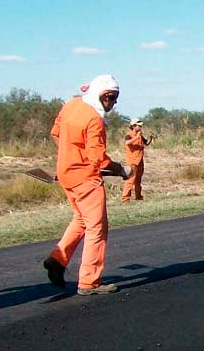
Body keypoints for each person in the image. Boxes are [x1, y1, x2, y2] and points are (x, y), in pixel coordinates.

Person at [42, 75, 130, 295]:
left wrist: (71, 157)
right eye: (110, 97)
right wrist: (120, 169)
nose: (113, 102)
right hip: (86, 180)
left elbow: (56, 133)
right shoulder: (94, 120)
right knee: (97, 228)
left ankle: (57, 260)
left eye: (115, 98)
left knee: (82, 219)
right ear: (100, 94)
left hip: (66, 174)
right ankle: (89, 282)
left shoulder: (71, 105)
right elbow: (99, 159)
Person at [121, 117, 155, 202]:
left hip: (140, 160)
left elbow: (146, 143)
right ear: (133, 126)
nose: (140, 127)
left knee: (138, 179)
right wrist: (136, 137)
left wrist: (150, 137)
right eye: (139, 126)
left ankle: (138, 196)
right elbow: (127, 142)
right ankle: (125, 198)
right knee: (131, 179)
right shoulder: (129, 135)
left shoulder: (140, 136)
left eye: (140, 126)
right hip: (133, 161)